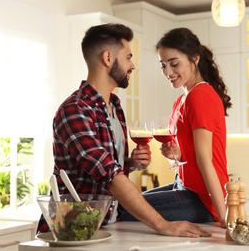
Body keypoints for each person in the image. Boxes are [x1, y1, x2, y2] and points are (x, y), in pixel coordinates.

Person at [36, 23, 211, 238]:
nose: (133, 65)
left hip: (108, 224)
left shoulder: (114, 106)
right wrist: (163, 225)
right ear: (108, 58)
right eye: (128, 57)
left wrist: (130, 163)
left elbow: (104, 166)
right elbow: (109, 175)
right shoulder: (75, 110)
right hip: (73, 229)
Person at [120, 27, 231, 228]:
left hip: (203, 199)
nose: (168, 72)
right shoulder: (182, 99)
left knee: (121, 210)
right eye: (163, 66)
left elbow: (206, 160)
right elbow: (192, 155)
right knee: (125, 204)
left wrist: (223, 217)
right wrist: (178, 154)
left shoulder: (200, 95)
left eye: (174, 64)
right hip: (184, 187)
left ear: (195, 59)